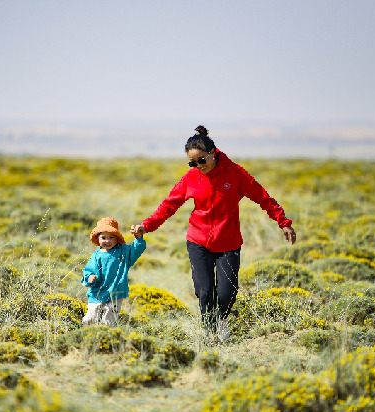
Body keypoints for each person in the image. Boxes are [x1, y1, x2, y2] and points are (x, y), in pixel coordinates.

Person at [131, 125, 296, 342]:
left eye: (202, 160)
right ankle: (210, 334)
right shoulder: (191, 178)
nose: (198, 166)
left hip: (228, 243)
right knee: (204, 291)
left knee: (227, 292)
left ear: (213, 153)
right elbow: (169, 205)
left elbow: (263, 197)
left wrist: (282, 222)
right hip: (198, 241)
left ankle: (222, 320)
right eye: (193, 162)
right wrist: (147, 225)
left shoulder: (236, 173)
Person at [81, 216, 146, 326]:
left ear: (117, 238)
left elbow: (136, 250)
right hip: (96, 294)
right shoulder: (96, 255)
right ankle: (85, 337)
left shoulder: (123, 252)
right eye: (103, 237)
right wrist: (90, 277)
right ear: (98, 239)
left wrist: (138, 239)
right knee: (90, 318)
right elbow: (88, 270)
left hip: (115, 293)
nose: (107, 241)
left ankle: (108, 341)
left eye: (111, 237)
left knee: (109, 322)